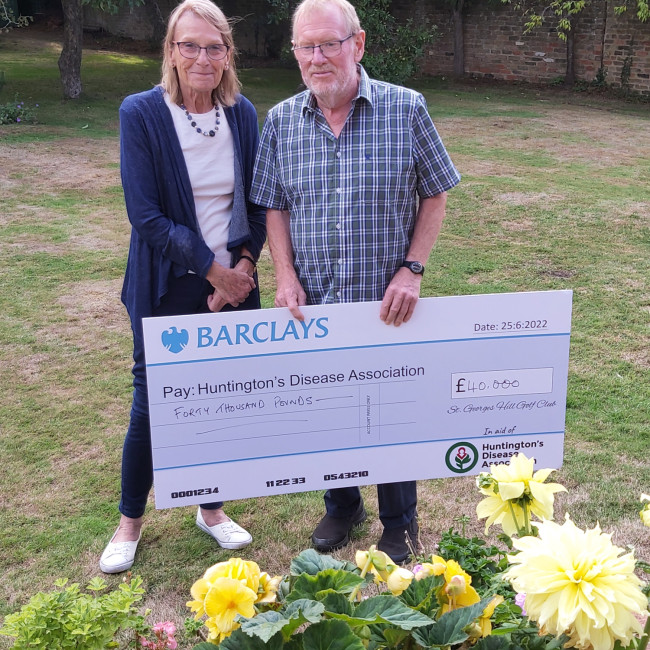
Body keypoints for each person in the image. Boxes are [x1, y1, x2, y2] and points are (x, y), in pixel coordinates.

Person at [250, 0, 460, 563]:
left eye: (329, 44)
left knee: (391, 410)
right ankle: (342, 505)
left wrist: (413, 269)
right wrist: (285, 275)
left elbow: (435, 191)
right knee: (328, 410)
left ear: (358, 44)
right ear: (294, 52)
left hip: (385, 302)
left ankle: (399, 521)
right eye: (305, 47)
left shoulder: (406, 108)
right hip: (314, 303)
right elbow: (273, 206)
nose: (317, 58)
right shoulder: (281, 121)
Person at [100, 0, 266, 574]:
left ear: (227, 55)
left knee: (219, 399)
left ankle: (211, 509)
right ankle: (129, 523)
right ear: (171, 50)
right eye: (189, 45)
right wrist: (210, 271)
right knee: (154, 402)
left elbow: (256, 200)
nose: (202, 57)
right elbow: (145, 215)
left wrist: (241, 267)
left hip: (234, 286)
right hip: (168, 284)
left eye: (213, 47)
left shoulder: (242, 114)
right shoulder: (141, 113)